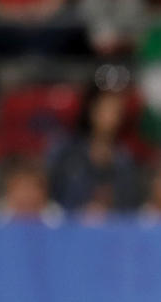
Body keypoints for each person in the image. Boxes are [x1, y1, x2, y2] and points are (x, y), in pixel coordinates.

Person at [46, 77, 142, 215]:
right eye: (106, 108)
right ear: (92, 109)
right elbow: (50, 197)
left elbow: (130, 204)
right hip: (68, 229)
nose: (112, 116)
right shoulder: (65, 151)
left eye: (117, 110)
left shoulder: (125, 159)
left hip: (114, 229)